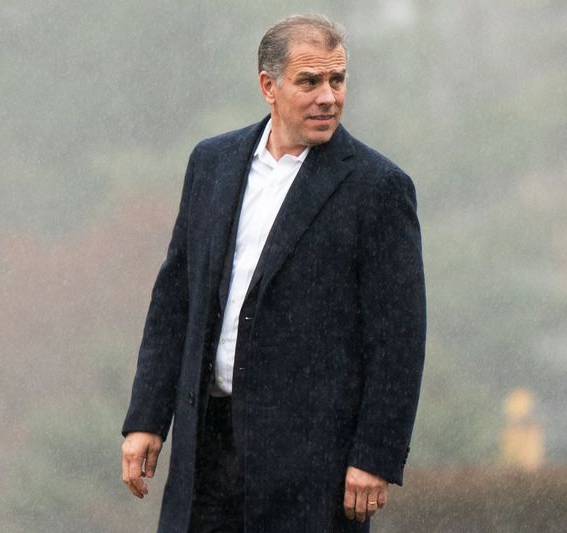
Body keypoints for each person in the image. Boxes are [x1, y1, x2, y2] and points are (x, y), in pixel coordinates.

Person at [121, 13, 426, 532]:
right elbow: (175, 298)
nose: (328, 96)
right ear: (269, 86)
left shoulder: (378, 189)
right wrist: (147, 418)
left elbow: (399, 338)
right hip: (205, 451)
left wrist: (375, 455)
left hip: (314, 465)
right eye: (309, 81)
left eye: (337, 79)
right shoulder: (212, 163)